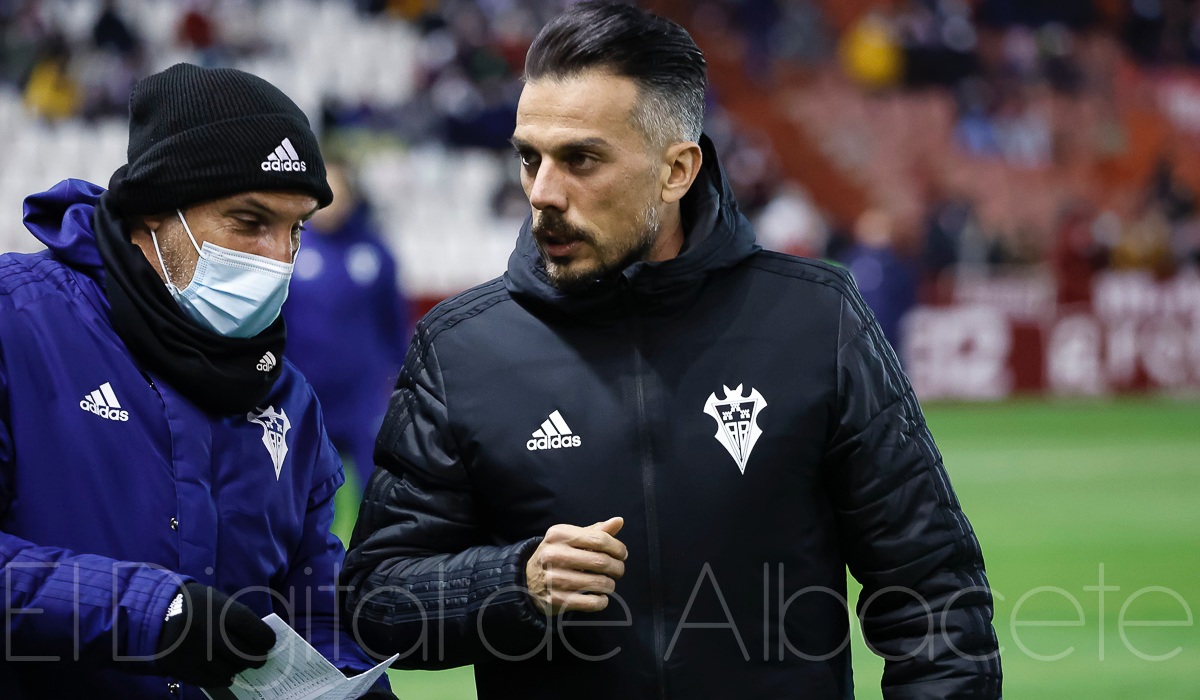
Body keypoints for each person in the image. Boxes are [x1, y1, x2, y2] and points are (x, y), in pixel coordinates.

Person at [340, 3, 1001, 699]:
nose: (542, 193)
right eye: (529, 159)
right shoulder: (463, 350)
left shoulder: (816, 321)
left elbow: (936, 595)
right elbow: (376, 602)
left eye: (581, 160)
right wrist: (511, 583)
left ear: (677, 170)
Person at [0, 63, 395, 700]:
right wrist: (156, 613)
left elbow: (317, 613)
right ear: (155, 211)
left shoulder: (289, 398)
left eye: (295, 230)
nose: (278, 259)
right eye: (248, 222)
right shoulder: (16, 324)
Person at [282, 161, 410, 495]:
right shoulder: (289, 250)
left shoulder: (375, 251)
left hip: (363, 394)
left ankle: (375, 549)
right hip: (307, 391)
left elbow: (393, 321)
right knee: (306, 491)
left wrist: (400, 377)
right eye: (324, 192)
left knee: (375, 488)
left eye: (339, 192)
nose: (331, 201)